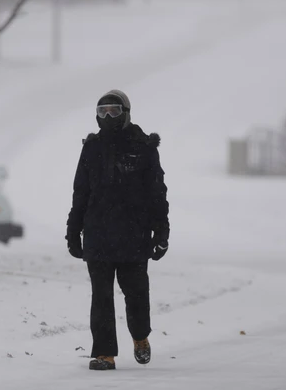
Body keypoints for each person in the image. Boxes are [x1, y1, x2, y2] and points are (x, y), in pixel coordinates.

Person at [65, 89, 169, 371]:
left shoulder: (144, 147)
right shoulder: (91, 147)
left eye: (114, 110)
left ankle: (140, 336)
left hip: (134, 236)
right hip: (97, 235)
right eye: (102, 111)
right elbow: (80, 193)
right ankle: (104, 353)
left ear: (126, 112)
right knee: (101, 296)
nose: (108, 116)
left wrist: (161, 233)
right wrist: (73, 231)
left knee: (136, 295)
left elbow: (157, 194)